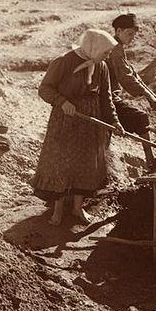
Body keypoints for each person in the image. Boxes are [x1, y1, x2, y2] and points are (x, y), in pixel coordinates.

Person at [32, 29, 124, 226]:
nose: (107, 56)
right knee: (62, 163)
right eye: (105, 52)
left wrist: (115, 122)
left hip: (90, 122)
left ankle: (77, 208)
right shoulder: (63, 61)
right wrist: (62, 101)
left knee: (86, 165)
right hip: (66, 119)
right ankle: (57, 211)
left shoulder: (102, 66)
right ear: (93, 47)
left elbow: (106, 98)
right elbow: (44, 89)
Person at [107, 13, 156, 165]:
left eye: (133, 35)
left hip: (110, 94)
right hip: (106, 96)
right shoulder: (114, 49)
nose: (131, 38)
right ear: (118, 31)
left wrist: (150, 94)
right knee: (141, 118)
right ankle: (150, 161)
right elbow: (127, 78)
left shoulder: (117, 47)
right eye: (129, 34)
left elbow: (132, 73)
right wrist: (148, 96)